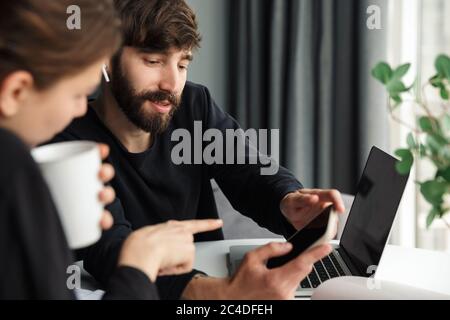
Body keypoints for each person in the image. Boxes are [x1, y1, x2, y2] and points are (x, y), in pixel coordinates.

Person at [53, 0, 345, 300]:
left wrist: (289, 201)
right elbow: (112, 250)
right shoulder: (69, 141)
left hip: (211, 279)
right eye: (153, 61)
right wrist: (222, 294)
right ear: (107, 59)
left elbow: (249, 172)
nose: (172, 83)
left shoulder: (194, 105)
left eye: (182, 64)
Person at [0, 0, 222, 300]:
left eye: (183, 64)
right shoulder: (14, 165)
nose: (81, 108)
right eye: (78, 94)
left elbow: (254, 171)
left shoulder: (17, 169)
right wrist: (138, 265)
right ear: (16, 92)